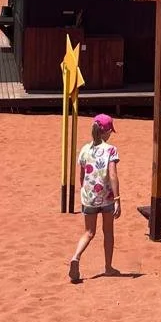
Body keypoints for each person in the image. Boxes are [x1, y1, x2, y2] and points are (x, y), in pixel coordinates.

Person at [69, 114, 120, 283]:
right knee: (108, 232)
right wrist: (118, 197)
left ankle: (76, 256)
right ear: (106, 132)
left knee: (89, 232)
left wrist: (84, 191)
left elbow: (82, 175)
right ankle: (108, 267)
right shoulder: (110, 150)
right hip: (106, 197)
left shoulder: (85, 149)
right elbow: (112, 175)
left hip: (89, 197)